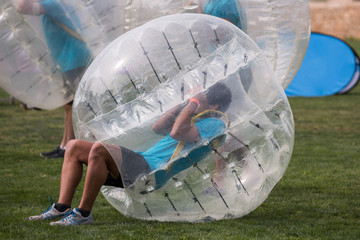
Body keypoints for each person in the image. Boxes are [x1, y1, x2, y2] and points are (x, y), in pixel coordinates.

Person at [28, 82, 232, 226]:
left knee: (100, 149)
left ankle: (83, 214)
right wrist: (183, 104)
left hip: (152, 172)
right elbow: (158, 127)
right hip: (142, 162)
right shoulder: (194, 118)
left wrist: (194, 102)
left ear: (214, 106)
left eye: (203, 97)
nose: (195, 101)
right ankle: (62, 207)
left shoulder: (216, 125)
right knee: (73, 146)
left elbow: (177, 132)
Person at [16, 0, 92, 159]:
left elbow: (22, 6)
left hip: (74, 59)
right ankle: (64, 145)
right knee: (68, 104)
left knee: (73, 104)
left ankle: (69, 146)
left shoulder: (54, 3)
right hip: (67, 60)